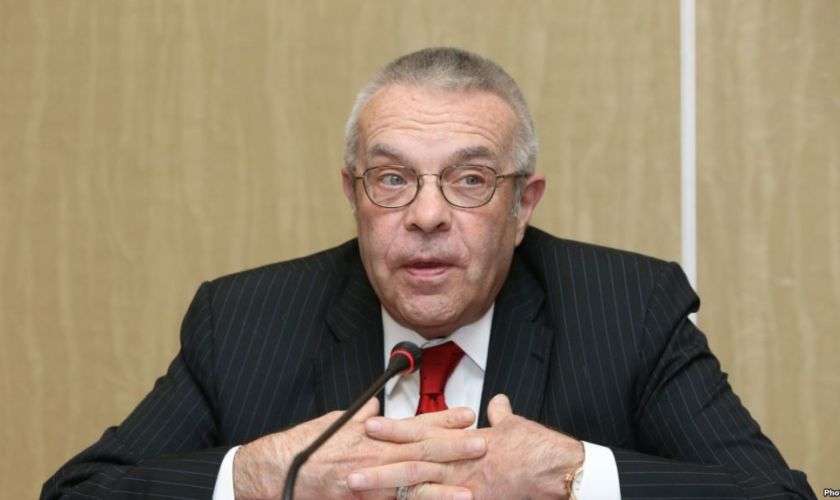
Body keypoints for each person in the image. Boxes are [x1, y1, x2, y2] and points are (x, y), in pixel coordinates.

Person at [42, 47, 814, 500]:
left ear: (523, 205)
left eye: (470, 180)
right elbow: (76, 493)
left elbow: (777, 496)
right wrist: (257, 475)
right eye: (392, 178)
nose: (427, 215)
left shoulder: (625, 311)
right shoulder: (246, 320)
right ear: (354, 193)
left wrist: (575, 477)